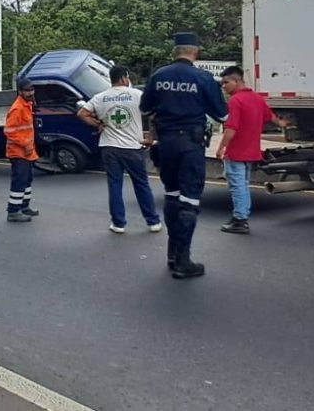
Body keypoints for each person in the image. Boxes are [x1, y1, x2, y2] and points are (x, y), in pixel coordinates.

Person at [139, 33, 228, 279]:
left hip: (165, 143)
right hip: (190, 145)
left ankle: (172, 252)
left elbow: (145, 108)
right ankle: (182, 261)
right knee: (189, 200)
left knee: (172, 195)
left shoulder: (158, 76)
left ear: (175, 51)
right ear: (195, 52)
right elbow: (222, 116)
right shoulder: (203, 78)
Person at [78, 65, 162, 235]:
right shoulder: (137, 95)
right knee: (141, 184)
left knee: (115, 185)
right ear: (125, 77)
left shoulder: (100, 97)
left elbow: (81, 113)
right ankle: (153, 221)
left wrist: (98, 124)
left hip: (109, 147)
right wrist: (151, 137)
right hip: (132, 147)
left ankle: (118, 224)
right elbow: (155, 115)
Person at [215, 65, 288, 235]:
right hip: (251, 152)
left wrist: (221, 147)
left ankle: (240, 219)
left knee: (237, 186)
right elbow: (272, 119)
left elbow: (231, 128)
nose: (223, 87)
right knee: (243, 185)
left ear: (237, 81)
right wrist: (285, 125)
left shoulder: (235, 101)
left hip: (236, 152)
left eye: (226, 83)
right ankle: (241, 216)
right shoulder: (257, 98)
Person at [3, 78, 39, 222]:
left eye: (32, 89)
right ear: (20, 91)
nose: (30, 92)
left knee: (27, 180)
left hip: (27, 151)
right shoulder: (17, 108)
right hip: (18, 151)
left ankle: (24, 206)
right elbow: (9, 131)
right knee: (19, 180)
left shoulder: (27, 105)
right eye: (27, 90)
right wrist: (26, 144)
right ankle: (13, 211)